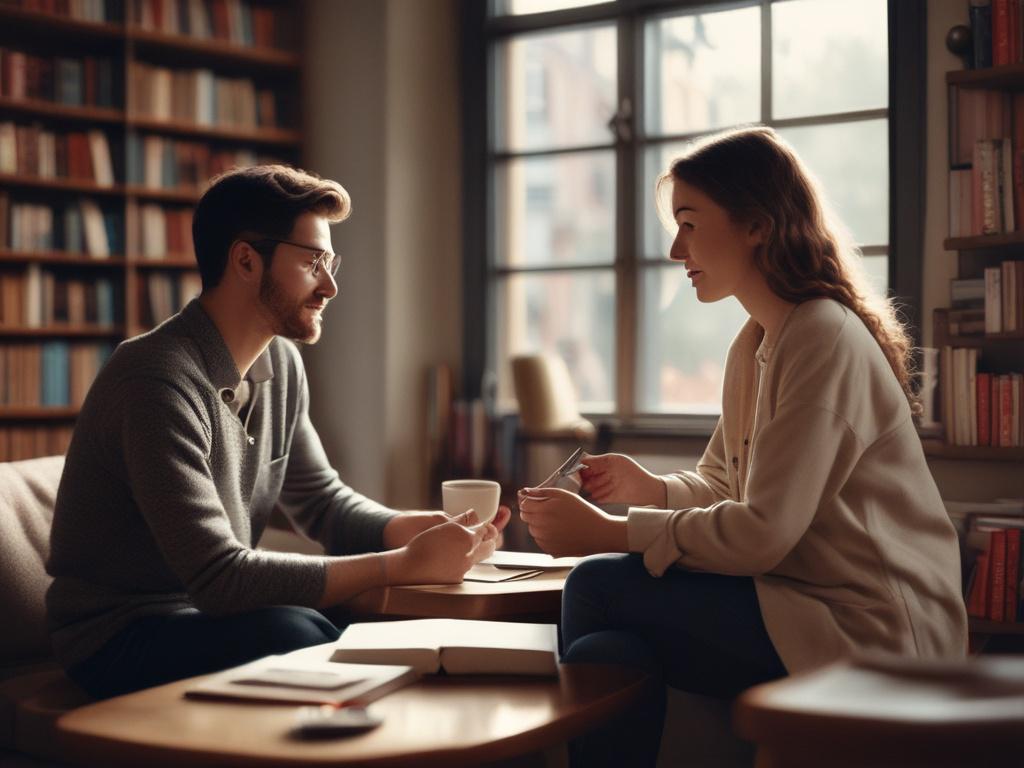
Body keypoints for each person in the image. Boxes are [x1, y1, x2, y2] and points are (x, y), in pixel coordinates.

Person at [518, 126, 967, 766]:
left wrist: (610, 532)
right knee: (606, 652)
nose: (676, 249)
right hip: (799, 602)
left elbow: (763, 532)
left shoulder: (821, 336)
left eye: (689, 224)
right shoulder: (756, 341)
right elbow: (726, 486)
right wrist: (650, 489)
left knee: (594, 585)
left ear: (757, 225)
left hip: (870, 628)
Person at [46, 165, 509, 700]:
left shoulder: (281, 364)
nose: (330, 286)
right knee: (299, 632)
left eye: (330, 263)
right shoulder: (155, 380)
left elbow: (322, 503)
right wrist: (400, 565)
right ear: (246, 261)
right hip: (117, 637)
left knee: (369, 628)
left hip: (205, 614)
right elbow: (221, 578)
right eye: (313, 262)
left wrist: (409, 530)